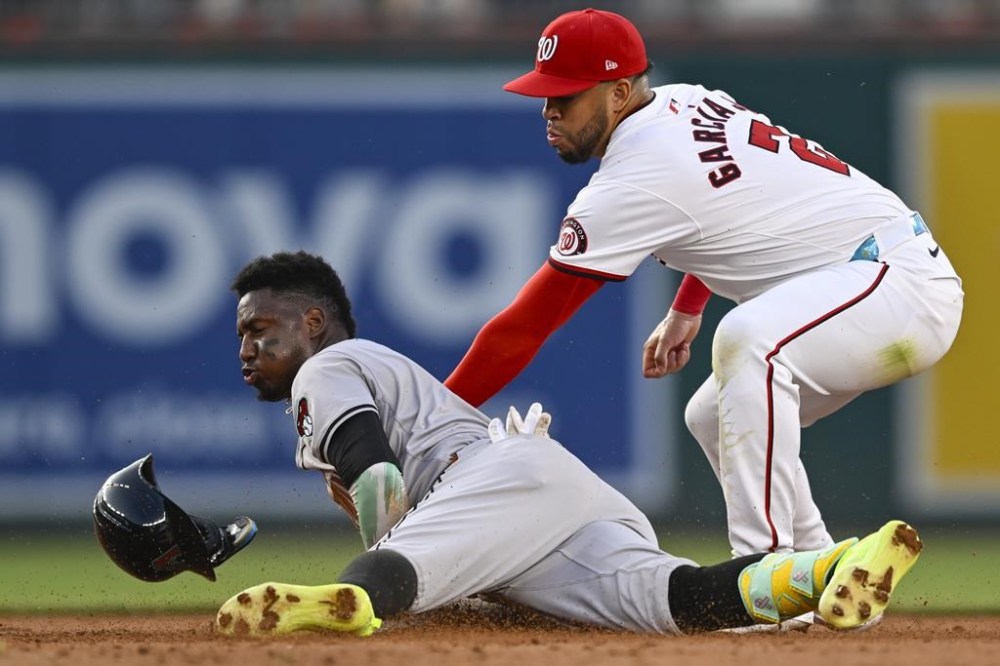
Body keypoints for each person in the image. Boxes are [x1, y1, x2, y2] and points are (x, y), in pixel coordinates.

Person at [443, 8, 963, 560]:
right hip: (878, 277)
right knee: (712, 416)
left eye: (565, 98)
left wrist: (431, 421)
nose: (549, 112)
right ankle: (820, 570)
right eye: (544, 97)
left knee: (748, 342)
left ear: (618, 94)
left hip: (895, 287)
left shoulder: (631, 181)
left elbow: (523, 327)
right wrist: (687, 308)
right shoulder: (685, 98)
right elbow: (736, 205)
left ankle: (762, 571)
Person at [212, 249, 921, 637]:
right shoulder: (357, 368)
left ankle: (337, 605)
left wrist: (379, 556)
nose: (246, 346)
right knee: (679, 601)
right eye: (242, 333)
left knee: (388, 576)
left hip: (492, 478)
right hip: (543, 499)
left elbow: (377, 479)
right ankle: (836, 565)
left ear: (312, 320)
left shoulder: (327, 367)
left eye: (258, 327)